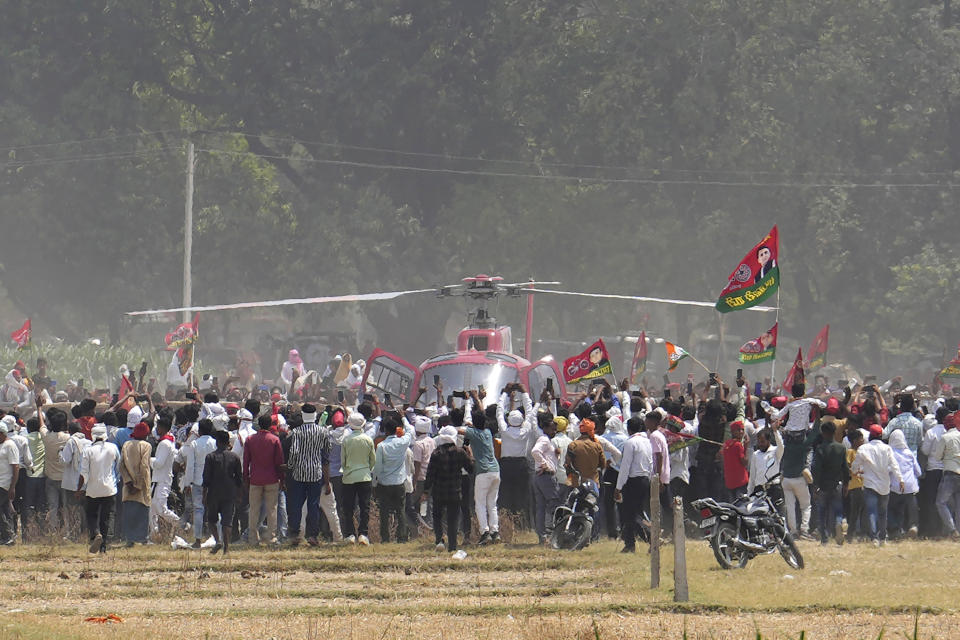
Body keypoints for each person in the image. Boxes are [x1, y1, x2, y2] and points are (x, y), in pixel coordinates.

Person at [287, 404, 342, 546]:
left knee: (297, 505)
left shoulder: (297, 432)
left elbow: (293, 453)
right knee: (313, 505)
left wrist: (291, 467)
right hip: (316, 474)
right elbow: (326, 456)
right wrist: (327, 479)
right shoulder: (322, 432)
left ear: (303, 415)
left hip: (299, 474)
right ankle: (313, 536)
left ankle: (295, 535)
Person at [424, 426, 474, 552]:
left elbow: (430, 474)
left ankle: (439, 540)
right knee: (453, 518)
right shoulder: (460, 452)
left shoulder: (436, 453)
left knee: (437, 516)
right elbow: (471, 469)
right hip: (455, 490)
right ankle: (452, 546)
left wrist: (425, 490)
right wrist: (470, 454)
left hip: (439, 490)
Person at [853, 424, 904, 546]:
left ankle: (874, 538)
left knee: (871, 511)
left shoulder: (863, 449)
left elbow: (855, 466)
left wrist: (857, 472)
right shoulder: (887, 448)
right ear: (881, 436)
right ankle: (883, 538)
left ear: (870, 435)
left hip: (869, 484)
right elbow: (894, 465)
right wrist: (900, 479)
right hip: (884, 485)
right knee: (883, 512)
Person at [463, 393, 501, 545]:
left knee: (480, 503)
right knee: (492, 503)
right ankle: (495, 531)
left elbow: (461, 429)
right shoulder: (487, 432)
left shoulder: (472, 432)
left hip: (483, 471)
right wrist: (478, 400)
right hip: (495, 471)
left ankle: (484, 532)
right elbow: (482, 416)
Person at [496, 383, 536, 528]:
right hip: (521, 465)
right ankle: (522, 525)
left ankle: (505, 524)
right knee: (522, 495)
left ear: (508, 421)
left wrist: (504, 394)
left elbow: (499, 411)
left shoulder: (504, 430)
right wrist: (524, 391)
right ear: (521, 420)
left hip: (506, 465)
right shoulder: (525, 430)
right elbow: (530, 411)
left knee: (505, 495)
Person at [372, 412, 414, 543]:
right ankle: (402, 537)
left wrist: (374, 483)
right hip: (399, 481)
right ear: (396, 429)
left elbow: (377, 467)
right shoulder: (402, 443)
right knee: (400, 510)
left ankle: (385, 538)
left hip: (384, 483)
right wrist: (403, 418)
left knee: (384, 512)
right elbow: (410, 431)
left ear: (384, 430)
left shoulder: (381, 446)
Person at [78, 425, 120, 554]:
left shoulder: (88, 450)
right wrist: (115, 481)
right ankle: (103, 547)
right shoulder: (113, 448)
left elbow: (83, 473)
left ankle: (96, 533)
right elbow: (118, 467)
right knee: (106, 517)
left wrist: (79, 489)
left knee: (91, 514)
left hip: (92, 489)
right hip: (110, 489)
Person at [245, 414, 285, 546]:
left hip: (255, 478)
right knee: (271, 509)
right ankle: (271, 537)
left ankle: (252, 538)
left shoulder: (250, 439)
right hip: (271, 478)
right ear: (269, 425)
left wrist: (246, 478)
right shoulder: (274, 440)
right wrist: (282, 480)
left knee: (254, 509)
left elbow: (246, 462)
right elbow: (279, 462)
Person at [615, 416, 653, 553]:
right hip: (645, 479)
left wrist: (618, 487)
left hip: (633, 481)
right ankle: (631, 543)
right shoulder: (647, 442)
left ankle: (650, 537)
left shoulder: (630, 443)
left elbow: (625, 467)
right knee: (637, 512)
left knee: (630, 514)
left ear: (629, 429)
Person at [202, 430, 243, 555]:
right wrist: (239, 494)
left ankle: (218, 540)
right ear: (228, 443)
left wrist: (204, 494)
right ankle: (226, 548)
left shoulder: (210, 457)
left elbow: (206, 478)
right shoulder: (234, 457)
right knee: (227, 522)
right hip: (229, 492)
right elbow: (239, 478)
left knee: (211, 520)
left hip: (214, 492)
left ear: (217, 442)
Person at [811, 421, 849, 545]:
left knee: (822, 512)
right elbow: (845, 467)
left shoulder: (820, 449)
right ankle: (838, 523)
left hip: (823, 485)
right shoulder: (841, 448)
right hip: (837, 484)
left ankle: (824, 539)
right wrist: (846, 484)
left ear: (823, 433)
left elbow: (816, 469)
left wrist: (815, 485)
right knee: (838, 510)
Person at [340, 412, 376, 545]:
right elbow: (373, 460)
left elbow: (343, 461)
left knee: (348, 507)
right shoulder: (368, 439)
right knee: (364, 507)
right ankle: (363, 534)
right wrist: (366, 469)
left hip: (349, 477)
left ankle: (350, 534)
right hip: (365, 476)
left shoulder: (346, 440)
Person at [184, 419, 218, 547]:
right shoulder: (215, 443)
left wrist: (188, 483)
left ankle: (197, 540)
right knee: (215, 510)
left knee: (198, 509)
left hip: (198, 481)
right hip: (213, 481)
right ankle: (217, 538)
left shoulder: (194, 444)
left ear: (200, 431)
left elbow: (190, 466)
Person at [119, 422, 152, 546]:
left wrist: (128, 482)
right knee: (142, 511)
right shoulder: (146, 446)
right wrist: (138, 485)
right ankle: (143, 539)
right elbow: (144, 466)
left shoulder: (126, 444)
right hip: (142, 485)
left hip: (128, 485)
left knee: (129, 512)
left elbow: (121, 465)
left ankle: (129, 539)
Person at [531, 412, 560, 544]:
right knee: (552, 505)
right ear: (546, 428)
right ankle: (549, 533)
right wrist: (545, 465)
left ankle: (542, 536)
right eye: (552, 429)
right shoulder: (544, 439)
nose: (554, 432)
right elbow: (535, 451)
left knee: (541, 507)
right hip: (546, 477)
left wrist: (556, 455)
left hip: (540, 477)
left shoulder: (548, 441)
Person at [150, 415, 180, 538]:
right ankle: (154, 535)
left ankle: (177, 522)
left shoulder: (164, 443)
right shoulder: (168, 441)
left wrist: (147, 459)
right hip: (159, 479)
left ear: (162, 428)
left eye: (158, 427)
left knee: (160, 508)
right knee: (152, 509)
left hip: (162, 480)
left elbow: (158, 463)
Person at [888, 429, 921, 539]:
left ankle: (896, 528)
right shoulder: (909, 453)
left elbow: (888, 470)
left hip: (895, 486)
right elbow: (918, 472)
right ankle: (913, 526)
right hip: (910, 486)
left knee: (891, 508)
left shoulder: (890, 452)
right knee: (911, 508)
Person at [933, 412, 960, 538]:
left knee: (940, 502)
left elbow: (937, 456)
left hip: (950, 472)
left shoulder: (945, 437)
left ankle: (952, 529)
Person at [407, 415, 436, 533]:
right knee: (427, 505)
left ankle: (421, 527)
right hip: (431, 477)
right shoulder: (432, 441)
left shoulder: (418, 444)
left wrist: (413, 483)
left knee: (411, 505)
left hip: (420, 479)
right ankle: (428, 527)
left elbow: (417, 465)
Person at [0, 421, 20, 545]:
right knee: (5, 510)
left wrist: (12, 486)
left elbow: (15, 467)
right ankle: (9, 536)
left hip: (4, 483)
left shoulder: (10, 445)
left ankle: (8, 535)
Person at [722, 421, 749, 501]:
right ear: (732, 432)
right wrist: (746, 447)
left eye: (742, 429)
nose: (741, 432)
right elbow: (745, 462)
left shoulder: (726, 444)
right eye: (738, 430)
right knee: (742, 505)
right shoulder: (738, 445)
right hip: (740, 481)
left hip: (730, 482)